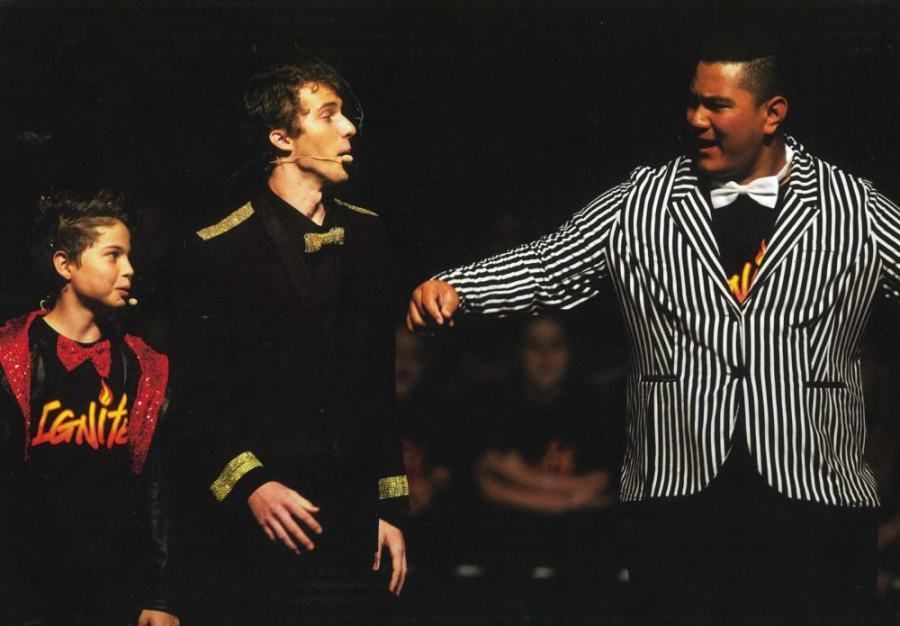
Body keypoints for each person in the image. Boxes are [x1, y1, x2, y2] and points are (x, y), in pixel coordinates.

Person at [408, 40, 900, 626]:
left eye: (717, 106)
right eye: (692, 103)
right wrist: (462, 286)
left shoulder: (853, 207)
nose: (696, 120)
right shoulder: (641, 203)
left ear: (773, 113)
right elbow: (548, 264)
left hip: (815, 493)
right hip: (676, 488)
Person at [182, 61, 408, 624]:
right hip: (262, 529)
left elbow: (378, 385)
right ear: (281, 138)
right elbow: (196, 397)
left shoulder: (368, 234)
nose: (350, 128)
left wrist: (392, 508)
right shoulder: (219, 249)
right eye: (329, 115)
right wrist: (250, 485)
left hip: (357, 523)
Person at [0, 190, 178, 625]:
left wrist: (161, 596)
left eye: (129, 256)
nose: (129, 270)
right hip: (24, 589)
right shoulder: (10, 356)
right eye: (113, 255)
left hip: (116, 589)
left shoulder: (143, 366)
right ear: (65, 264)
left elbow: (157, 488)